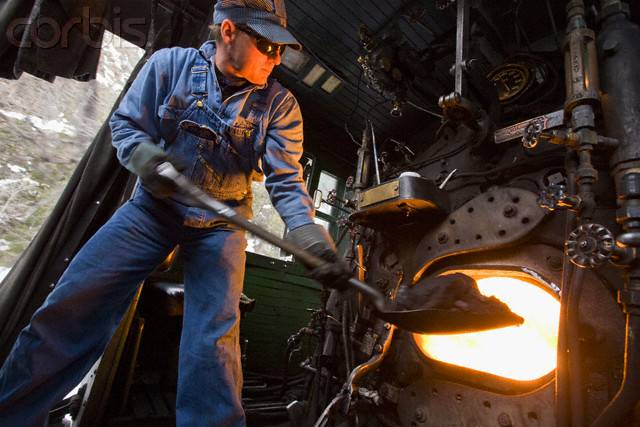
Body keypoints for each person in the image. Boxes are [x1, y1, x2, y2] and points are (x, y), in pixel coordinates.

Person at [0, 0, 349, 425]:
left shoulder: (280, 106)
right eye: (267, 46)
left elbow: (286, 180)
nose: (276, 59)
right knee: (73, 306)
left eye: (280, 50)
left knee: (213, 345)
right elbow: (126, 125)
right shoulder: (169, 66)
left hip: (221, 225)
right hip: (152, 212)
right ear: (228, 31)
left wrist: (306, 231)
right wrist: (145, 156)